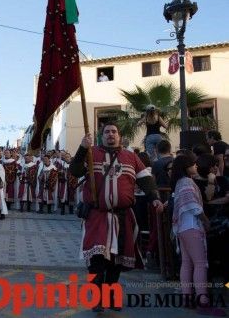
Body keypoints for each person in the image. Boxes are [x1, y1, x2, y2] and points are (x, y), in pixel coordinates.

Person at [69, 122, 163, 312]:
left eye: (114, 132)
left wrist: (154, 198)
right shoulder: (90, 153)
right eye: (107, 132)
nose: (110, 135)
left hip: (122, 216)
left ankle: (111, 296)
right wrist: (82, 148)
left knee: (116, 260)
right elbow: (75, 171)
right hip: (97, 215)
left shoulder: (131, 157)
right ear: (101, 136)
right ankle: (97, 298)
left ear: (119, 136)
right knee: (97, 259)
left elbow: (146, 179)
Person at [171, 155, 226, 317]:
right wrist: (206, 220)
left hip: (182, 227)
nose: (196, 166)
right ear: (186, 167)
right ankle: (203, 302)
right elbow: (193, 205)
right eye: (193, 164)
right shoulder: (187, 182)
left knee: (187, 264)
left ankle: (187, 298)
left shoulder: (179, 182)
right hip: (193, 226)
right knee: (201, 264)